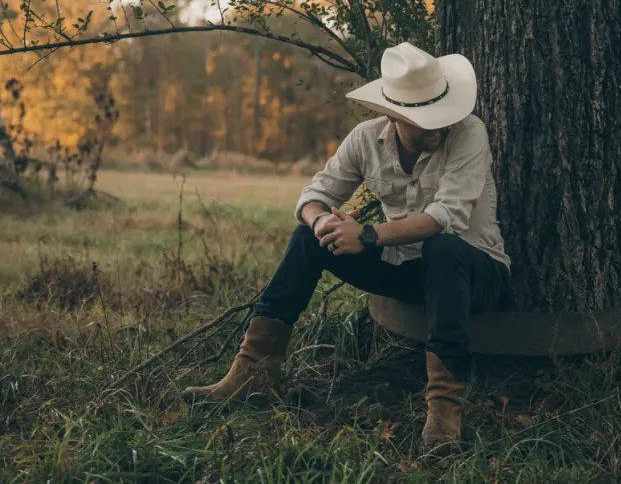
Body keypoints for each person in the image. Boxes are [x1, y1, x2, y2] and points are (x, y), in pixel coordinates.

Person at [183, 42, 511, 450]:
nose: (437, 128)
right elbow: (312, 196)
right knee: (308, 238)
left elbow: (446, 217)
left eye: (440, 117)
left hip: (476, 271)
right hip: (410, 269)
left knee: (442, 248)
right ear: (392, 115)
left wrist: (367, 235)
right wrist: (324, 223)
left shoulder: (469, 133)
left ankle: (444, 413)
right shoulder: (365, 140)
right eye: (423, 121)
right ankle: (253, 375)